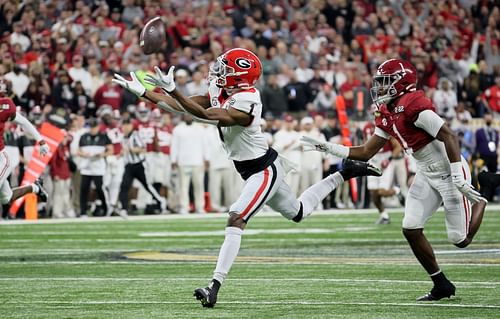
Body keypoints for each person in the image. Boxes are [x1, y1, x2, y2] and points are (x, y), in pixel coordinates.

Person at [112, 47, 381, 308]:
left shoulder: (248, 99)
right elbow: (184, 106)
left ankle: (214, 287)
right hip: (252, 168)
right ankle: (344, 173)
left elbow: (204, 115)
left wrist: (173, 91)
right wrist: (144, 92)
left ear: (239, 77)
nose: (217, 71)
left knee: (236, 218)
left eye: (224, 68)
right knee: (298, 212)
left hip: (263, 169)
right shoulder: (223, 89)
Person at [301, 58, 500, 301]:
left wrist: (458, 174)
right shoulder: (387, 111)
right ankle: (441, 284)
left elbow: (450, 136)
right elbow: (366, 151)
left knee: (460, 239)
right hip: (426, 173)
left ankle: (485, 191)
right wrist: (327, 147)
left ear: (401, 83)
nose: (381, 88)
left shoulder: (413, 103)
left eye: (385, 82)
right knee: (411, 228)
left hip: (449, 172)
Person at [0, 79, 48, 215]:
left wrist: (41, 140)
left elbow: (23, 122)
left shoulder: (5, 105)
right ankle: (34, 187)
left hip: (1, 158)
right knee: (6, 198)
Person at [118, 119, 166, 218]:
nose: (125, 128)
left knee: (147, 186)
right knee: (124, 186)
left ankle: (160, 201)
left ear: (131, 126)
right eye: (124, 126)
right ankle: (123, 208)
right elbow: (125, 151)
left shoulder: (135, 135)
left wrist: (131, 149)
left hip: (139, 165)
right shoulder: (123, 137)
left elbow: (143, 149)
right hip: (129, 166)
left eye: (127, 125)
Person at [77, 118, 113, 217]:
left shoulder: (104, 136)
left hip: (98, 168)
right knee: (84, 189)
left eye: (94, 127)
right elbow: (78, 151)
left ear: (98, 127)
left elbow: (111, 150)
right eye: (91, 127)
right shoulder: (83, 137)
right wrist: (84, 154)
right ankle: (83, 212)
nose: (93, 129)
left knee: (100, 189)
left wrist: (102, 155)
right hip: (86, 167)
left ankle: (106, 208)